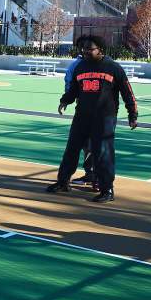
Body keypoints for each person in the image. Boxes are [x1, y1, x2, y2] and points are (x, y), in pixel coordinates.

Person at [46, 35, 139, 203]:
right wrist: (64, 100)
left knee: (103, 153)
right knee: (71, 149)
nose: (86, 52)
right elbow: (74, 89)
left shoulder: (113, 68)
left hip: (104, 118)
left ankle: (107, 190)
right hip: (82, 116)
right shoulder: (80, 67)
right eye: (84, 49)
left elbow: (127, 92)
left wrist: (133, 114)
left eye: (90, 49)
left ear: (100, 49)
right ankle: (63, 182)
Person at [63, 38, 95, 189]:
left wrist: (67, 99)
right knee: (90, 145)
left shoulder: (77, 66)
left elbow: (69, 85)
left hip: (86, 111)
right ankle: (93, 176)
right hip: (90, 110)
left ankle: (90, 175)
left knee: (80, 145)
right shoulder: (81, 65)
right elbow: (70, 86)